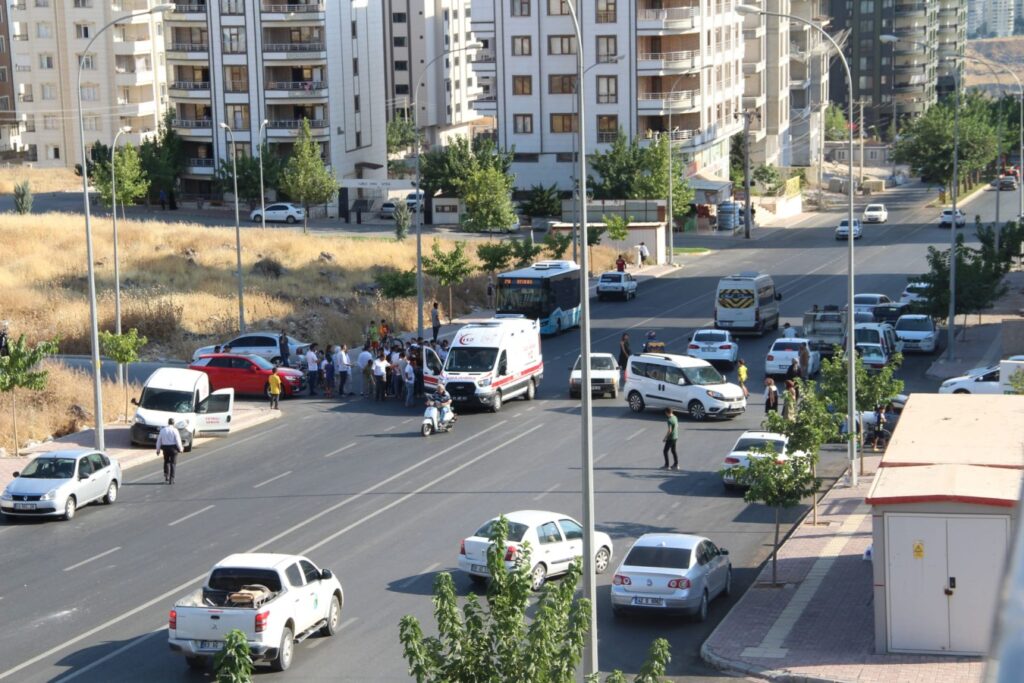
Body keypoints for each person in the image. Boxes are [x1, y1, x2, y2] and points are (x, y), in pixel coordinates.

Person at [155, 418, 183, 484]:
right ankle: (172, 479)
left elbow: (159, 440)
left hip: (165, 448)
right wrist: (181, 448)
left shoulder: (163, 430)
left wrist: (158, 450)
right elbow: (178, 441)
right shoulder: (175, 430)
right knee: (173, 464)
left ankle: (166, 475)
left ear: (168, 423)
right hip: (173, 448)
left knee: (166, 461)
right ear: (173, 423)